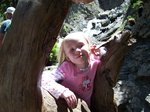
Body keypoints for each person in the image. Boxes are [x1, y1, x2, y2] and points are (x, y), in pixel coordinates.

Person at [41, 32, 107, 109]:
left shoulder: (95, 61)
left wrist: (100, 52)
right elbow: (43, 79)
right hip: (69, 105)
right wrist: (63, 91)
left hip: (87, 106)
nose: (77, 51)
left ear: (89, 46)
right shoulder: (67, 68)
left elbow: (108, 53)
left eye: (80, 45)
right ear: (68, 57)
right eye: (72, 50)